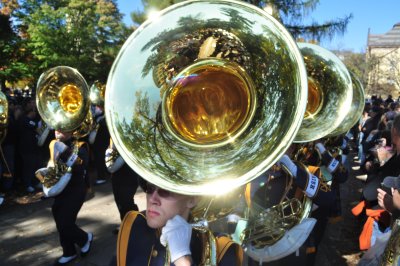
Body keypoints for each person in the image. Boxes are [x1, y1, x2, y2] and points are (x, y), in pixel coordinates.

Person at [112, 180, 243, 265]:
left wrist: (182, 259)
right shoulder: (134, 226)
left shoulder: (224, 250)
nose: (153, 199)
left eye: (165, 191)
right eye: (150, 188)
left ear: (192, 200)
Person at [48, 129, 93, 265]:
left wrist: (65, 152)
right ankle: (69, 251)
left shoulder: (80, 146)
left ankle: (85, 238)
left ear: (70, 131)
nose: (56, 130)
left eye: (61, 128)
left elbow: (81, 167)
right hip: (61, 190)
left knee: (65, 222)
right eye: (55, 127)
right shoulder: (54, 144)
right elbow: (55, 168)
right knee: (59, 218)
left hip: (76, 190)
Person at [105, 138, 139, 232]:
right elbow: (111, 168)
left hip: (130, 175)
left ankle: (137, 224)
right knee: (120, 202)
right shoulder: (112, 141)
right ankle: (125, 224)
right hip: (117, 177)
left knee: (127, 201)